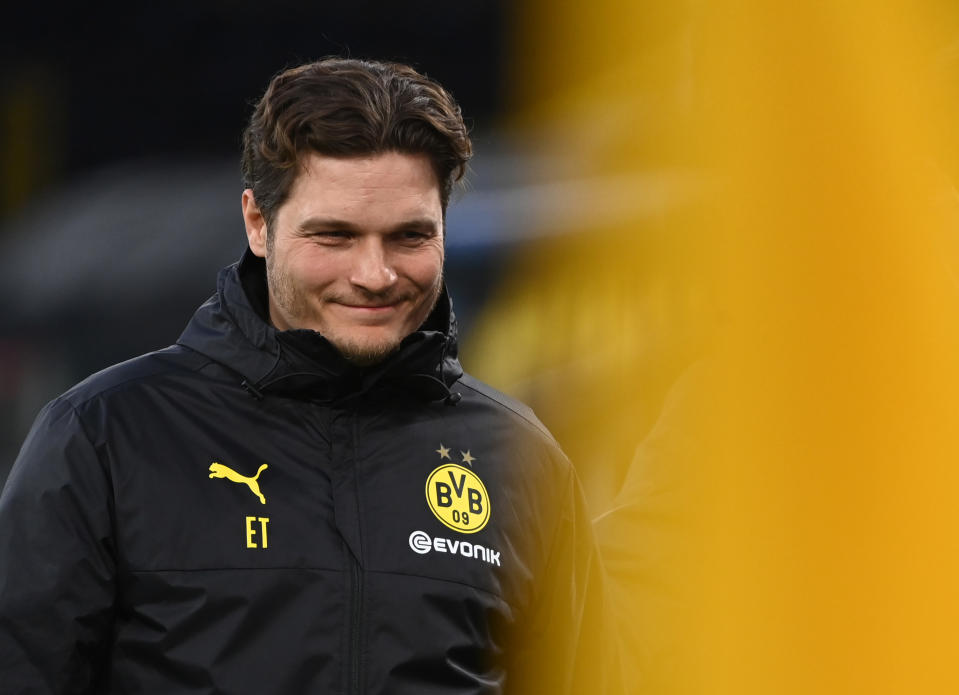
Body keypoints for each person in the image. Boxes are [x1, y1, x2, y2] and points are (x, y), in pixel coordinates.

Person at [0, 58, 607, 694]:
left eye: (408, 236)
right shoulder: (105, 437)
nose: (375, 274)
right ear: (258, 223)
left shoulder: (522, 458)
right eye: (335, 236)